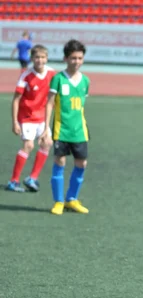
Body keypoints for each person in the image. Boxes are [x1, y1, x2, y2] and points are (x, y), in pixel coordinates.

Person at [45, 39, 91, 215]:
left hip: (79, 130)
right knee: (60, 162)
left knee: (82, 163)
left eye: (79, 58)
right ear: (65, 59)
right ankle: (58, 201)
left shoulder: (86, 81)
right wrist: (46, 129)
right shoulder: (58, 79)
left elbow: (81, 106)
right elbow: (49, 104)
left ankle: (72, 199)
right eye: (73, 58)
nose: (76, 61)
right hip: (61, 130)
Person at [6, 44, 55, 192]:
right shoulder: (26, 75)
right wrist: (14, 122)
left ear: (46, 58)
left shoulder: (52, 73)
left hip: (42, 116)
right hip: (27, 116)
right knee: (28, 146)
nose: (40, 60)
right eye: (36, 57)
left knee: (47, 143)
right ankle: (13, 181)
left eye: (42, 57)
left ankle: (32, 178)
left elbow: (53, 98)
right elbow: (16, 100)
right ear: (32, 58)